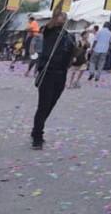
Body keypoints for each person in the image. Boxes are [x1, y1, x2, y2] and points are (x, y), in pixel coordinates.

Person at [30, 11, 77, 149]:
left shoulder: (69, 36)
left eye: (64, 17)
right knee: (43, 105)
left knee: (51, 105)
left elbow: (73, 53)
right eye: (60, 16)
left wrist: (80, 51)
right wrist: (62, 0)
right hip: (48, 73)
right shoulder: (49, 31)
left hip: (61, 74)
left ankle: (36, 130)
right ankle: (37, 137)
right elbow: (55, 15)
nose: (62, 18)